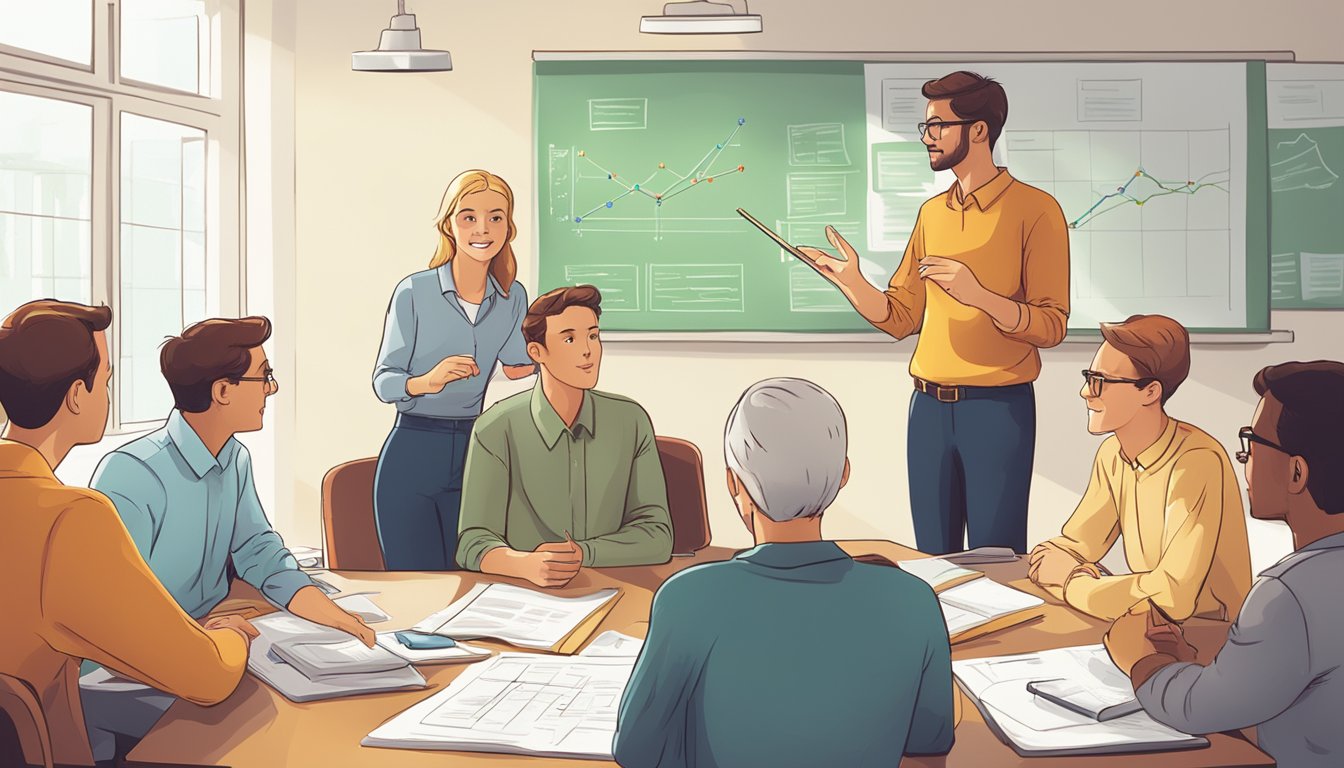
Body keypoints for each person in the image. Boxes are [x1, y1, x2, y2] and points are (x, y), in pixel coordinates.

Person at [613, 378, 954, 767]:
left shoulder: (687, 598)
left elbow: (635, 751)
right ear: (844, 474)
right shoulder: (914, 601)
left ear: (733, 484)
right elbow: (929, 749)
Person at [797, 71, 1069, 555]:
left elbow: (1052, 325)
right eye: (927, 127)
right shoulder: (932, 214)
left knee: (997, 559)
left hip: (998, 409)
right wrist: (852, 284)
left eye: (938, 126)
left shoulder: (1037, 210)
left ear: (979, 130)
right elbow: (902, 316)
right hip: (926, 410)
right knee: (932, 559)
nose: (928, 137)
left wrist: (979, 295)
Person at [87, 316, 372, 758]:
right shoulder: (131, 474)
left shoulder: (234, 458)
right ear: (222, 391)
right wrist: (199, 640)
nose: (271, 390)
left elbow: (261, 553)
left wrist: (330, 613)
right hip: (122, 674)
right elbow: (113, 613)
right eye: (264, 377)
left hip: (202, 650)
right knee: (272, 728)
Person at [0, 300, 252, 767]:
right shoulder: (68, 520)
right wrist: (230, 634)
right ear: (77, 395)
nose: (109, 395)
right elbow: (206, 676)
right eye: (108, 381)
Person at [1105, 360, 1344, 768]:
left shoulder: (1289, 593)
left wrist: (1141, 659)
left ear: (1296, 471)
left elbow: (1197, 708)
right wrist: (1191, 663)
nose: (1244, 461)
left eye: (1252, 444)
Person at [1027, 315, 1251, 621]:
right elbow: (1076, 545)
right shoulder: (1113, 454)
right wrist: (1062, 565)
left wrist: (1073, 583)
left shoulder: (1196, 462)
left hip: (1205, 637)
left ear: (1150, 392)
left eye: (1100, 382)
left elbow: (1172, 596)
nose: (1086, 392)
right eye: (1088, 377)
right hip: (1146, 625)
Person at [372, 169, 536, 570]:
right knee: (418, 582)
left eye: (496, 217)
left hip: (475, 448)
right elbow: (384, 381)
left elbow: (517, 367)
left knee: (471, 577)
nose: (483, 229)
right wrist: (429, 380)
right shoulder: (414, 291)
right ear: (449, 224)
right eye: (469, 217)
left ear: (508, 226)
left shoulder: (512, 296)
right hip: (413, 449)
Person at [456, 285, 672, 586]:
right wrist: (526, 564)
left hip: (615, 590)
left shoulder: (630, 420)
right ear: (536, 352)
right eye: (569, 338)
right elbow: (473, 543)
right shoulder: (495, 428)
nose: (587, 350)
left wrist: (583, 553)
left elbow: (657, 536)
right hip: (524, 595)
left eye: (593, 336)